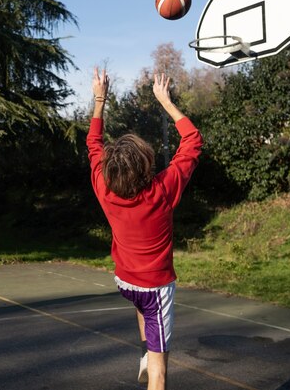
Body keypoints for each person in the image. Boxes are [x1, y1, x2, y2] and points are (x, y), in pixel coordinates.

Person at [86, 68, 203, 390]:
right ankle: (151, 358)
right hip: (156, 288)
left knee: (142, 307)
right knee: (160, 373)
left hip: (125, 281)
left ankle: (144, 351)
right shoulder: (162, 191)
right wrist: (165, 100)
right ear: (146, 164)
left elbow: (93, 143)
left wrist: (100, 99)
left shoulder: (103, 187)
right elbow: (192, 141)